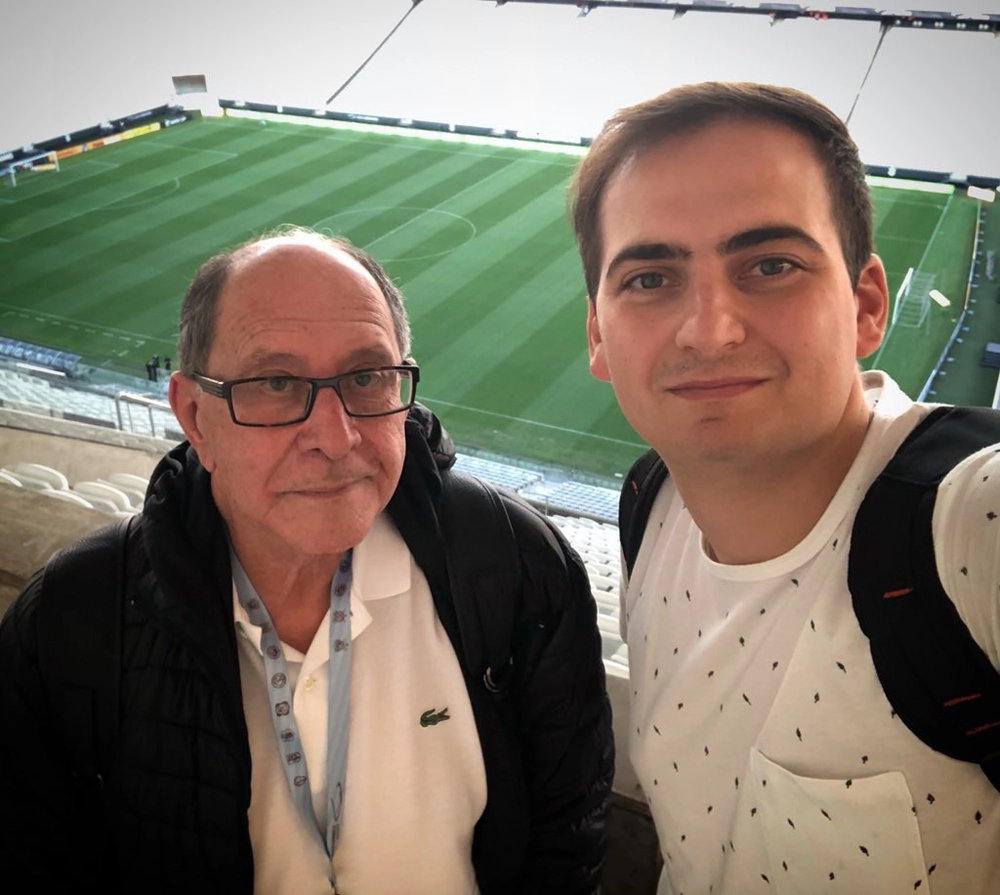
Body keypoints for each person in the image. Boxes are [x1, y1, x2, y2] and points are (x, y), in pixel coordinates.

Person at [0, 227, 614, 894]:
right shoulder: (72, 617)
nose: (334, 435)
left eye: (367, 376)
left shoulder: (519, 565)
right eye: (276, 382)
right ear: (195, 416)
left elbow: (567, 836)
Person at [569, 81, 1000, 893]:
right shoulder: (652, 506)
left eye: (771, 265)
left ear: (867, 304)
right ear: (598, 334)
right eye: (650, 279)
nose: (709, 328)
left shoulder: (965, 523)